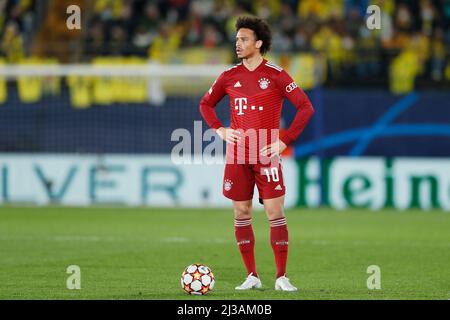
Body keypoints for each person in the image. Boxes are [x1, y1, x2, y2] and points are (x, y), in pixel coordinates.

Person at [199, 16, 314, 291]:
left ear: (258, 43)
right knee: (241, 211)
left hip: (266, 154)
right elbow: (206, 104)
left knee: (275, 211)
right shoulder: (228, 76)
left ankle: (281, 277)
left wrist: (285, 140)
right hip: (237, 155)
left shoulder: (276, 75)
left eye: (244, 39)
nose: (238, 43)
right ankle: (251, 275)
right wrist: (220, 129)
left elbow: (305, 107)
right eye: (237, 39)